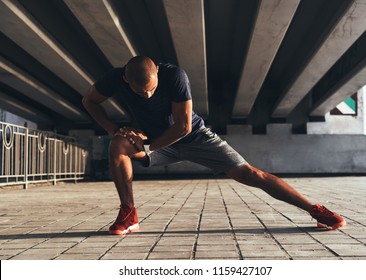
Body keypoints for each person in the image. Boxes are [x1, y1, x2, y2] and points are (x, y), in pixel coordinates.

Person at [82, 55, 346, 235]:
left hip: (194, 137)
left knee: (252, 174)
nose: (148, 95)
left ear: (158, 74)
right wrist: (115, 129)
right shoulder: (114, 79)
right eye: (141, 92)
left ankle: (316, 210)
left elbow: (183, 127)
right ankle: (129, 213)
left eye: (152, 89)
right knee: (117, 145)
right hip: (152, 139)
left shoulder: (175, 76)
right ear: (126, 81)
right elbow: (89, 101)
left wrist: (149, 147)